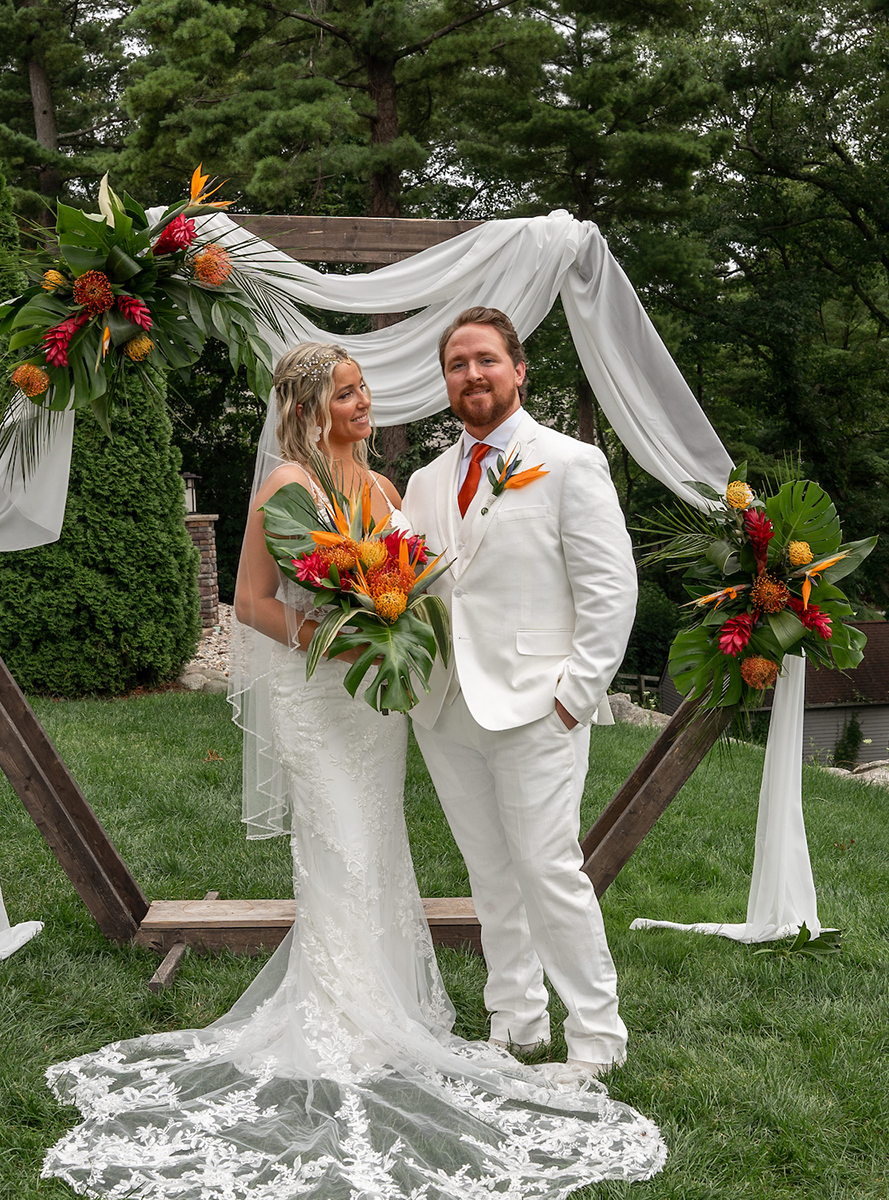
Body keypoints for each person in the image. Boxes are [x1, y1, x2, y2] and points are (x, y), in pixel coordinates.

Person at [39, 342, 665, 1199]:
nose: (364, 402)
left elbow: (429, 582)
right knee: (356, 852)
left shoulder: (391, 489)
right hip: (328, 695)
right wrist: (338, 641)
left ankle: (562, 1031)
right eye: (345, 393)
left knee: (411, 851)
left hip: (395, 706)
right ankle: (364, 1019)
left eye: (364, 388)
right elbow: (252, 602)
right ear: (307, 409)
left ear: (520, 369)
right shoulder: (294, 488)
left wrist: (550, 686)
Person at [403, 307, 640, 1086]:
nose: (471, 374)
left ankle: (597, 1035)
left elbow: (610, 589)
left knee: (547, 870)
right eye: (456, 364)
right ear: (445, 382)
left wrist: (575, 696)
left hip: (539, 704)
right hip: (446, 708)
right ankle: (516, 1019)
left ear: (519, 370)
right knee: (490, 873)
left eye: (485, 359)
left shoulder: (570, 463)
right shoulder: (426, 482)